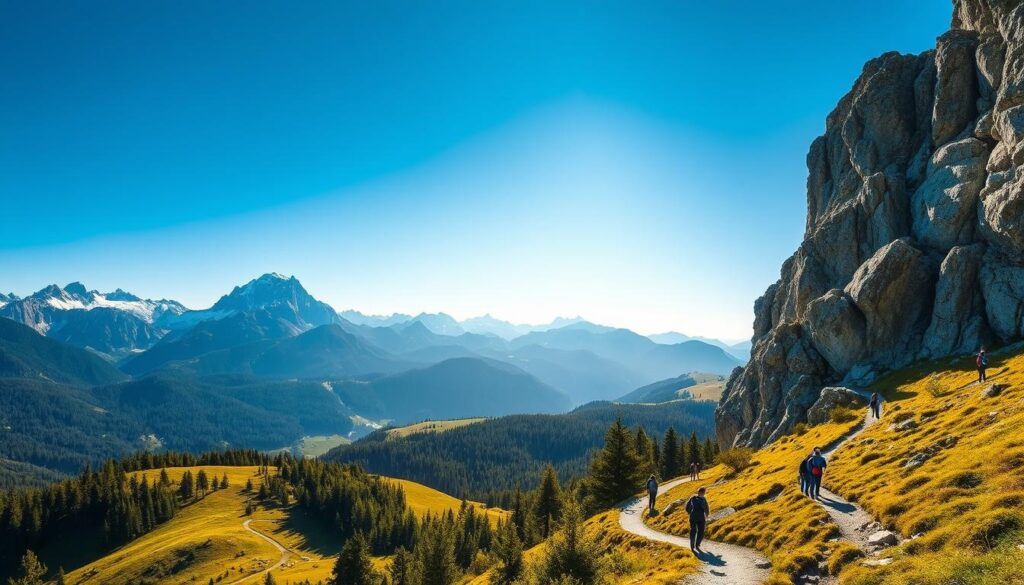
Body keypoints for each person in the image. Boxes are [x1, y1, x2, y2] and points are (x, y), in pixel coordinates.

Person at [685, 486, 710, 554]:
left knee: (695, 531)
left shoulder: (693, 498)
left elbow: (687, 507)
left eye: (703, 493)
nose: (703, 494)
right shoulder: (702, 499)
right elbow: (706, 509)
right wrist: (707, 515)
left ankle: (694, 545)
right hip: (699, 518)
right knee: (699, 531)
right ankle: (695, 544)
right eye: (703, 492)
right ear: (701, 492)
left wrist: (689, 512)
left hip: (694, 517)